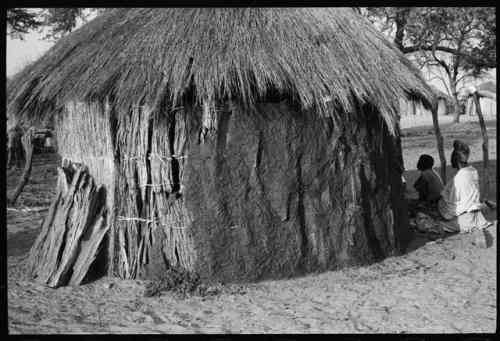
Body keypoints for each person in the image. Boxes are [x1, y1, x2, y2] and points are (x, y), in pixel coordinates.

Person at [437, 140, 495, 233]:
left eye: (452, 157)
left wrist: (441, 202)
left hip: (466, 218)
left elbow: (449, 202)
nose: (451, 159)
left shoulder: (458, 178)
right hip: (477, 214)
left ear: (455, 159)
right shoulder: (472, 172)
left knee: (440, 211)